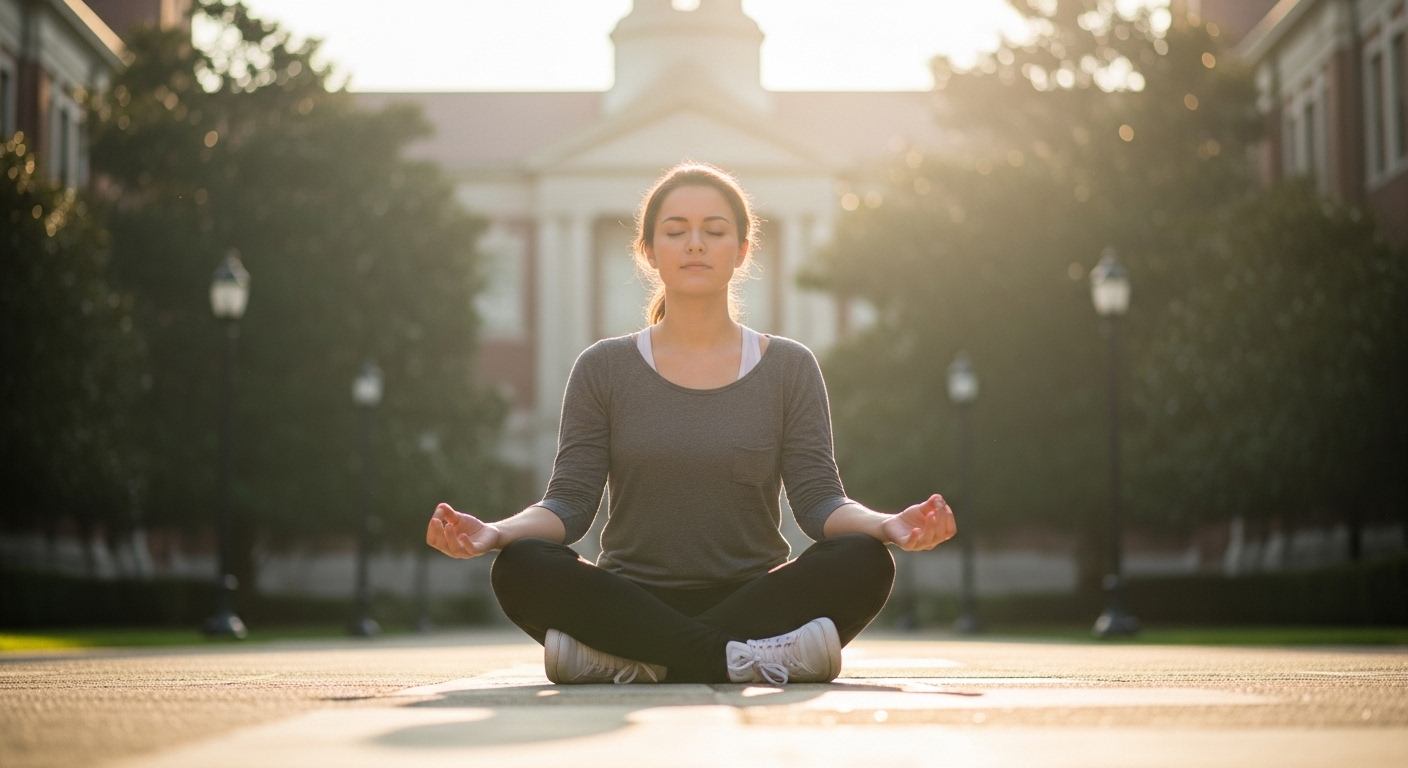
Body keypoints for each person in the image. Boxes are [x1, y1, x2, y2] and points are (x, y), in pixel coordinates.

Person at [426, 162, 956, 685]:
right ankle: (744, 658)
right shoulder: (603, 368)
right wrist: (497, 533)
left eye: (715, 231)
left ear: (742, 250)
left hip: (754, 595)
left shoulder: (789, 367)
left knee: (865, 559)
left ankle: (635, 659)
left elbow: (820, 502)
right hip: (631, 597)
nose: (695, 244)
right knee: (521, 566)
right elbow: (568, 505)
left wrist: (885, 525)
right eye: (676, 231)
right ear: (650, 252)